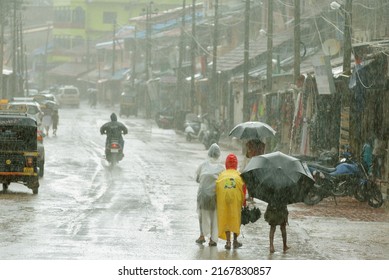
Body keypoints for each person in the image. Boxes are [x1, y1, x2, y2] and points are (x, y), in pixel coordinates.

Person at [195, 143, 225, 246]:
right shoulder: (222, 167)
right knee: (213, 216)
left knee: (201, 215)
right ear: (218, 154)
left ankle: (202, 235)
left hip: (202, 195)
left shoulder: (203, 165)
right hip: (214, 195)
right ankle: (212, 238)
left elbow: (197, 179)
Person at [216, 153, 245, 250]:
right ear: (236, 164)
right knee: (235, 219)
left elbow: (217, 189)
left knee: (227, 219)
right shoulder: (239, 175)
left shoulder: (222, 175)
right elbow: (243, 189)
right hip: (235, 200)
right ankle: (235, 241)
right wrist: (244, 202)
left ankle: (228, 242)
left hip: (224, 200)